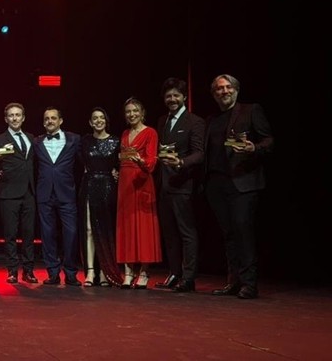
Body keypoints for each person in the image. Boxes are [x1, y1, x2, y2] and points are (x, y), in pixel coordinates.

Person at [205, 74, 273, 300]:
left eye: (228, 87)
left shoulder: (251, 110)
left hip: (243, 183)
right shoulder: (212, 120)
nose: (224, 91)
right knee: (229, 235)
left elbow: (269, 141)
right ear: (214, 94)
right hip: (217, 185)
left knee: (243, 233)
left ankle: (249, 284)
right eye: (219, 89)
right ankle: (233, 281)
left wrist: (254, 148)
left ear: (236, 90)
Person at [155, 78, 205, 293]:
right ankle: (174, 273)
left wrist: (181, 163)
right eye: (168, 96)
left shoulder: (195, 121)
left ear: (184, 97)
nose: (172, 99)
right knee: (169, 233)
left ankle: (189, 277)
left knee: (187, 232)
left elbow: (199, 153)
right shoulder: (162, 121)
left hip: (183, 184)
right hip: (164, 185)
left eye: (176, 95)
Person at [116, 97, 161, 289]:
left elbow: (152, 162)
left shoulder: (150, 132)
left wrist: (142, 162)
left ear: (142, 113)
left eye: (135, 111)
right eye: (128, 111)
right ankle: (128, 272)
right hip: (125, 182)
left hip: (142, 180)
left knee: (143, 227)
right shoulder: (125, 133)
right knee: (126, 226)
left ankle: (143, 272)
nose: (132, 114)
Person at [33, 107, 81, 286]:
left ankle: (71, 273)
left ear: (61, 121)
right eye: (47, 118)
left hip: (66, 193)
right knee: (47, 234)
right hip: (45, 193)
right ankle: (52, 272)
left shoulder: (74, 139)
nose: (50, 121)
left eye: (53, 118)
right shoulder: (37, 141)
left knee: (71, 233)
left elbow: (85, 160)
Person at [0, 103, 37, 284]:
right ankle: (12, 271)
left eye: (18, 115)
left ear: (23, 118)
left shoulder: (31, 138)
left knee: (29, 234)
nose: (15, 118)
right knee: (10, 234)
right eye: (11, 115)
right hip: (9, 192)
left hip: (29, 191)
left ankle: (28, 270)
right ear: (6, 119)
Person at [78, 107, 122, 287]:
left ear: (106, 120)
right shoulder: (85, 141)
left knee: (106, 230)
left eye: (101, 117)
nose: (98, 121)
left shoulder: (116, 141)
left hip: (107, 187)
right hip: (89, 185)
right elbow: (81, 163)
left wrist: (117, 173)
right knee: (89, 229)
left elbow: (121, 164)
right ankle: (90, 271)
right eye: (95, 118)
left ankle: (105, 271)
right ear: (90, 122)